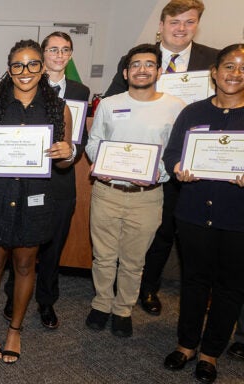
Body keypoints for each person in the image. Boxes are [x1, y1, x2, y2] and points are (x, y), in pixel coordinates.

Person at [104, 0, 218, 316]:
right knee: (156, 229)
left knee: (185, 231)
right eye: (175, 22)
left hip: (197, 157)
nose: (181, 28)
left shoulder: (211, 60)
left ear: (197, 25)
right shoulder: (140, 58)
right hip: (148, 161)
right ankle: (140, 286)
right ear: (162, 25)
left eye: (189, 22)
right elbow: (113, 101)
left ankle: (172, 289)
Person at [0, 40, 74, 364]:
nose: (25, 71)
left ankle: (14, 329)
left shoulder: (59, 109)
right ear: (9, 69)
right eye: (17, 65)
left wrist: (66, 154)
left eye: (32, 64)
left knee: (26, 265)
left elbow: (63, 163)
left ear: (42, 68)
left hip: (35, 198)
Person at [84, 44, 185, 338]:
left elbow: (176, 151)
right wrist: (100, 163)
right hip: (107, 191)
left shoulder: (175, 106)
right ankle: (102, 303)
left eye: (149, 64)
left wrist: (158, 173)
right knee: (103, 256)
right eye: (136, 65)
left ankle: (123, 309)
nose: (142, 70)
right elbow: (94, 142)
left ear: (159, 70)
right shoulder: (109, 104)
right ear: (126, 72)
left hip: (148, 196)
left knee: (133, 260)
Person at [162, 44, 244, 384]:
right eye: (229, 66)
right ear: (214, 71)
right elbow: (170, 155)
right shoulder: (192, 112)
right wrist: (179, 167)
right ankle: (186, 344)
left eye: (242, 68)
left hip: (237, 217)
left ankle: (210, 352)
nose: (235, 73)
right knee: (193, 282)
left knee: (229, 287)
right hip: (194, 212)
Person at [2, 32, 90, 330]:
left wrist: (70, 150)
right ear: (41, 57)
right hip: (23, 182)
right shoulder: (17, 90)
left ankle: (46, 301)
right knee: (20, 244)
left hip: (58, 183)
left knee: (52, 248)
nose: (60, 54)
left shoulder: (80, 90)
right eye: (53, 49)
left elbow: (80, 139)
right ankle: (13, 298)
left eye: (66, 50)